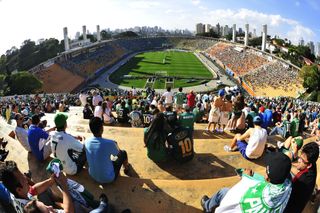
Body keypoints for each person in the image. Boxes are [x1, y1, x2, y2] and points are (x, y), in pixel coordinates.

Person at [201, 152, 292, 212]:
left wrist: (246, 179)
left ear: (267, 177)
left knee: (223, 192)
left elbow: (240, 194)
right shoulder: (288, 184)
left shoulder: (257, 192)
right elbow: (267, 184)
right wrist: (250, 178)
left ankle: (207, 205)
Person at [85, 117, 130, 183]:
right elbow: (118, 153)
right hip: (108, 178)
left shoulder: (86, 141)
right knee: (123, 153)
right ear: (102, 129)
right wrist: (116, 145)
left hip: (92, 175)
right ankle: (126, 168)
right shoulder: (110, 143)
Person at [284, 142, 319, 213]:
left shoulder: (302, 181)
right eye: (300, 157)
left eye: (302, 160)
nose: (299, 160)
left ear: (309, 165)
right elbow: (300, 165)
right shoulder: (312, 162)